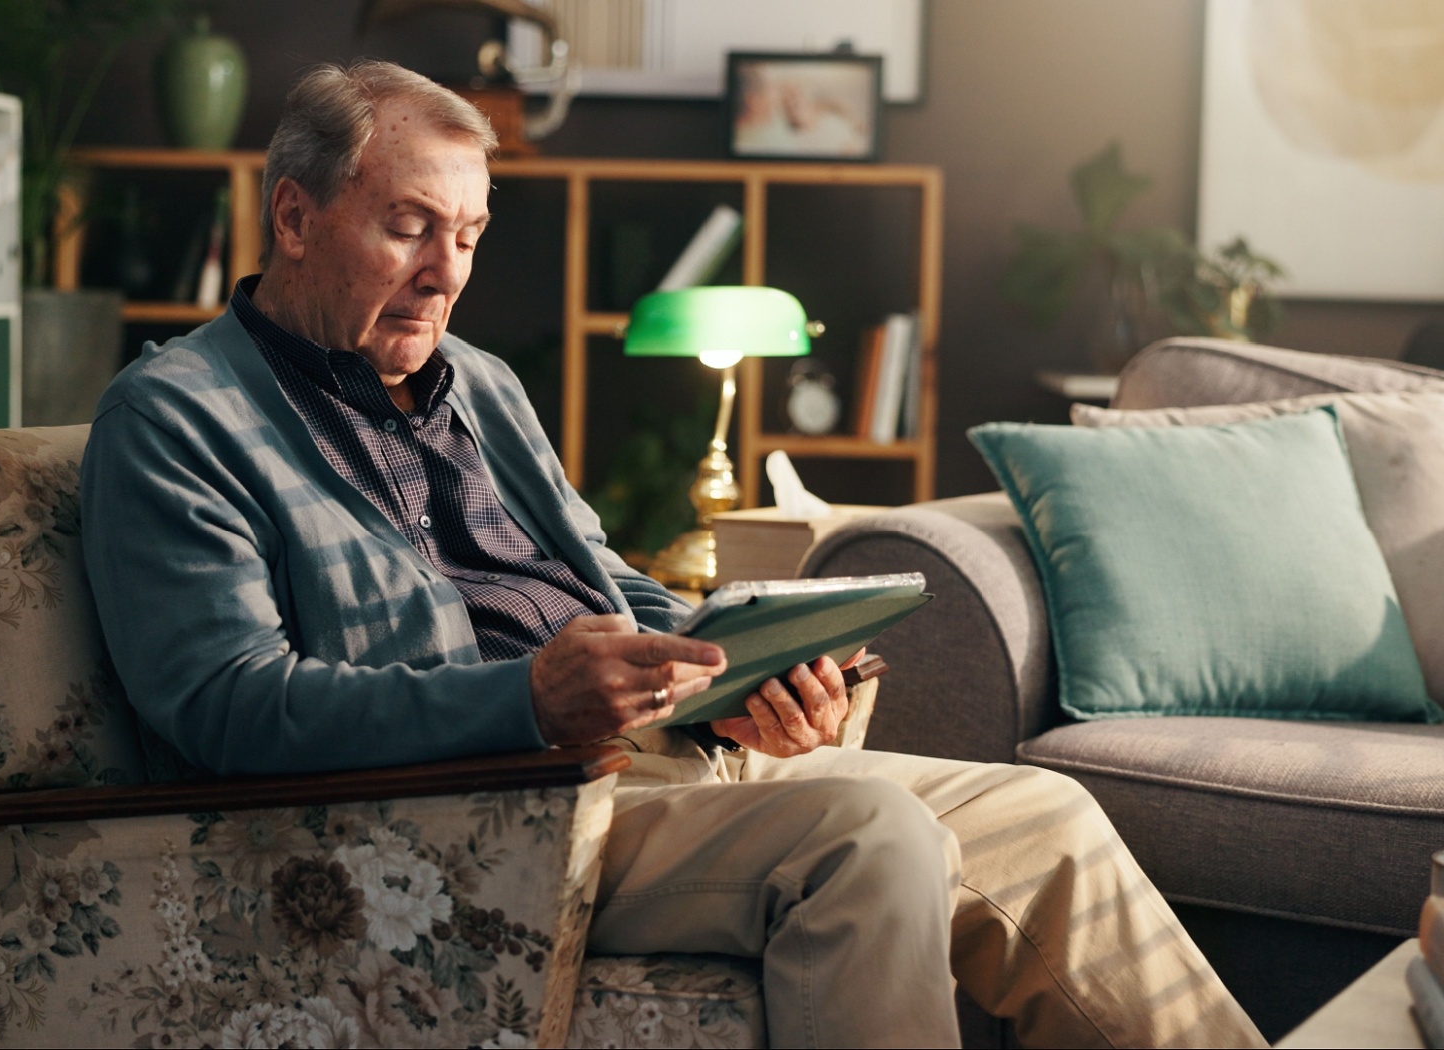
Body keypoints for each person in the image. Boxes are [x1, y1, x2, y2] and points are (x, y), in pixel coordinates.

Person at [80, 60, 1266, 1049]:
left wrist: (738, 671)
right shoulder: (178, 417)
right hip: (491, 813)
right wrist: (525, 705)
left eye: (468, 235)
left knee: (1044, 815)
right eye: (408, 228)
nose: (446, 273)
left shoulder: (478, 385)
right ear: (293, 215)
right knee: (869, 838)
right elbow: (224, 708)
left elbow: (604, 576)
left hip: (657, 760)